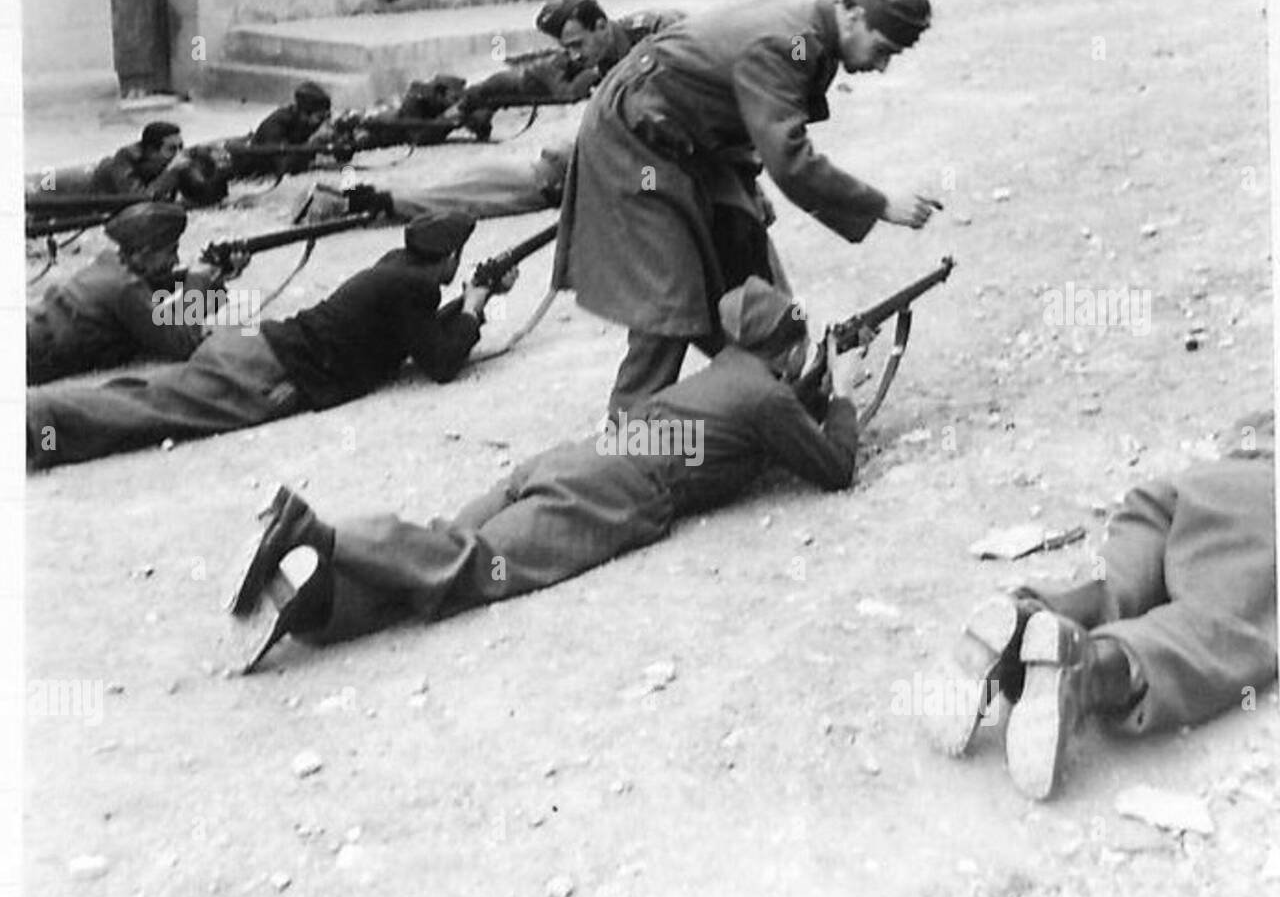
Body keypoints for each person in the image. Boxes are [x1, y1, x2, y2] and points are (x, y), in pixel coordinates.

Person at [224, 276, 862, 673]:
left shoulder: (729, 370)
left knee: (440, 569)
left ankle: (317, 608)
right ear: (787, 343)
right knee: (472, 566)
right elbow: (834, 469)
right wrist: (843, 396)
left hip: (573, 459)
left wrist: (807, 392)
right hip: (617, 490)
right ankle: (320, 535)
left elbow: (748, 418)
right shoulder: (768, 398)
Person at [552, 0, 941, 418]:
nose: (881, 66)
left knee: (744, 245)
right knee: (671, 295)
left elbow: (738, 107)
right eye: (882, 50)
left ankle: (775, 392)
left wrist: (745, 186)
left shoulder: (815, 36)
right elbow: (792, 162)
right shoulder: (788, 43)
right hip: (633, 141)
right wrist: (881, 204)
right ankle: (626, 435)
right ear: (852, 15)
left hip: (690, 142)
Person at [938, 411, 1277, 800]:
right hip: (1266, 502)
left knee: (1111, 583)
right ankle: (1090, 670)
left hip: (1190, 487)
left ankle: (1023, 622)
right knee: (1220, 626)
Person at [27, 215, 505, 470]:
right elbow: (440, 363)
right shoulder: (412, 285)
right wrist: (475, 306)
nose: (174, 258)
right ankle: (37, 420)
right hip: (269, 370)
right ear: (450, 257)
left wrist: (467, 303)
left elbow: (414, 335)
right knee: (153, 410)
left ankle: (43, 415)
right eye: (168, 253)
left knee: (145, 396)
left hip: (258, 347)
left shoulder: (394, 266)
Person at [26, 202, 217, 385]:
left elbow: (152, 305)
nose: (175, 260)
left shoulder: (109, 265)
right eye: (170, 251)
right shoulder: (125, 288)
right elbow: (184, 345)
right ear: (144, 252)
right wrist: (197, 281)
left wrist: (212, 280)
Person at [458, 0, 683, 116]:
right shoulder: (588, 55)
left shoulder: (658, 32)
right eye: (568, 48)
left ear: (601, 26)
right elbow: (525, 81)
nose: (574, 55)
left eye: (577, 44)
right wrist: (472, 98)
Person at [302, 142, 574, 225]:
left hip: (531, 172)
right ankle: (361, 202)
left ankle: (359, 199)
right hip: (537, 180)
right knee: (450, 200)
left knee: (443, 191)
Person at [227, 81, 334, 178]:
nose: (325, 122)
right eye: (321, 118)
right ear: (304, 115)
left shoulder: (308, 123)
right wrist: (314, 143)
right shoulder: (277, 124)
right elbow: (283, 166)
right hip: (252, 167)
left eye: (328, 116)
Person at [90, 121, 188, 199]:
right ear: (151, 151)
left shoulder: (171, 161)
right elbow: (137, 197)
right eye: (171, 149)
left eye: (181, 147)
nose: (178, 155)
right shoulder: (126, 158)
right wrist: (170, 173)